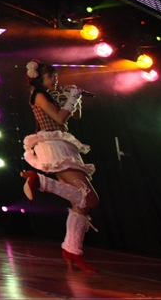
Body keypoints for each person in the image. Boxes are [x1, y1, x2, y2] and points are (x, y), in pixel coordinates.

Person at [20, 59, 100, 271]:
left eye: (56, 76)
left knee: (81, 203)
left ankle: (72, 250)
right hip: (53, 145)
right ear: (39, 79)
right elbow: (60, 118)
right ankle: (41, 182)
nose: (55, 80)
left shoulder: (50, 94)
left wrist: (75, 97)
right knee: (90, 198)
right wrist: (71, 98)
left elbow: (75, 115)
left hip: (62, 144)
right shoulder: (38, 94)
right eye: (51, 76)